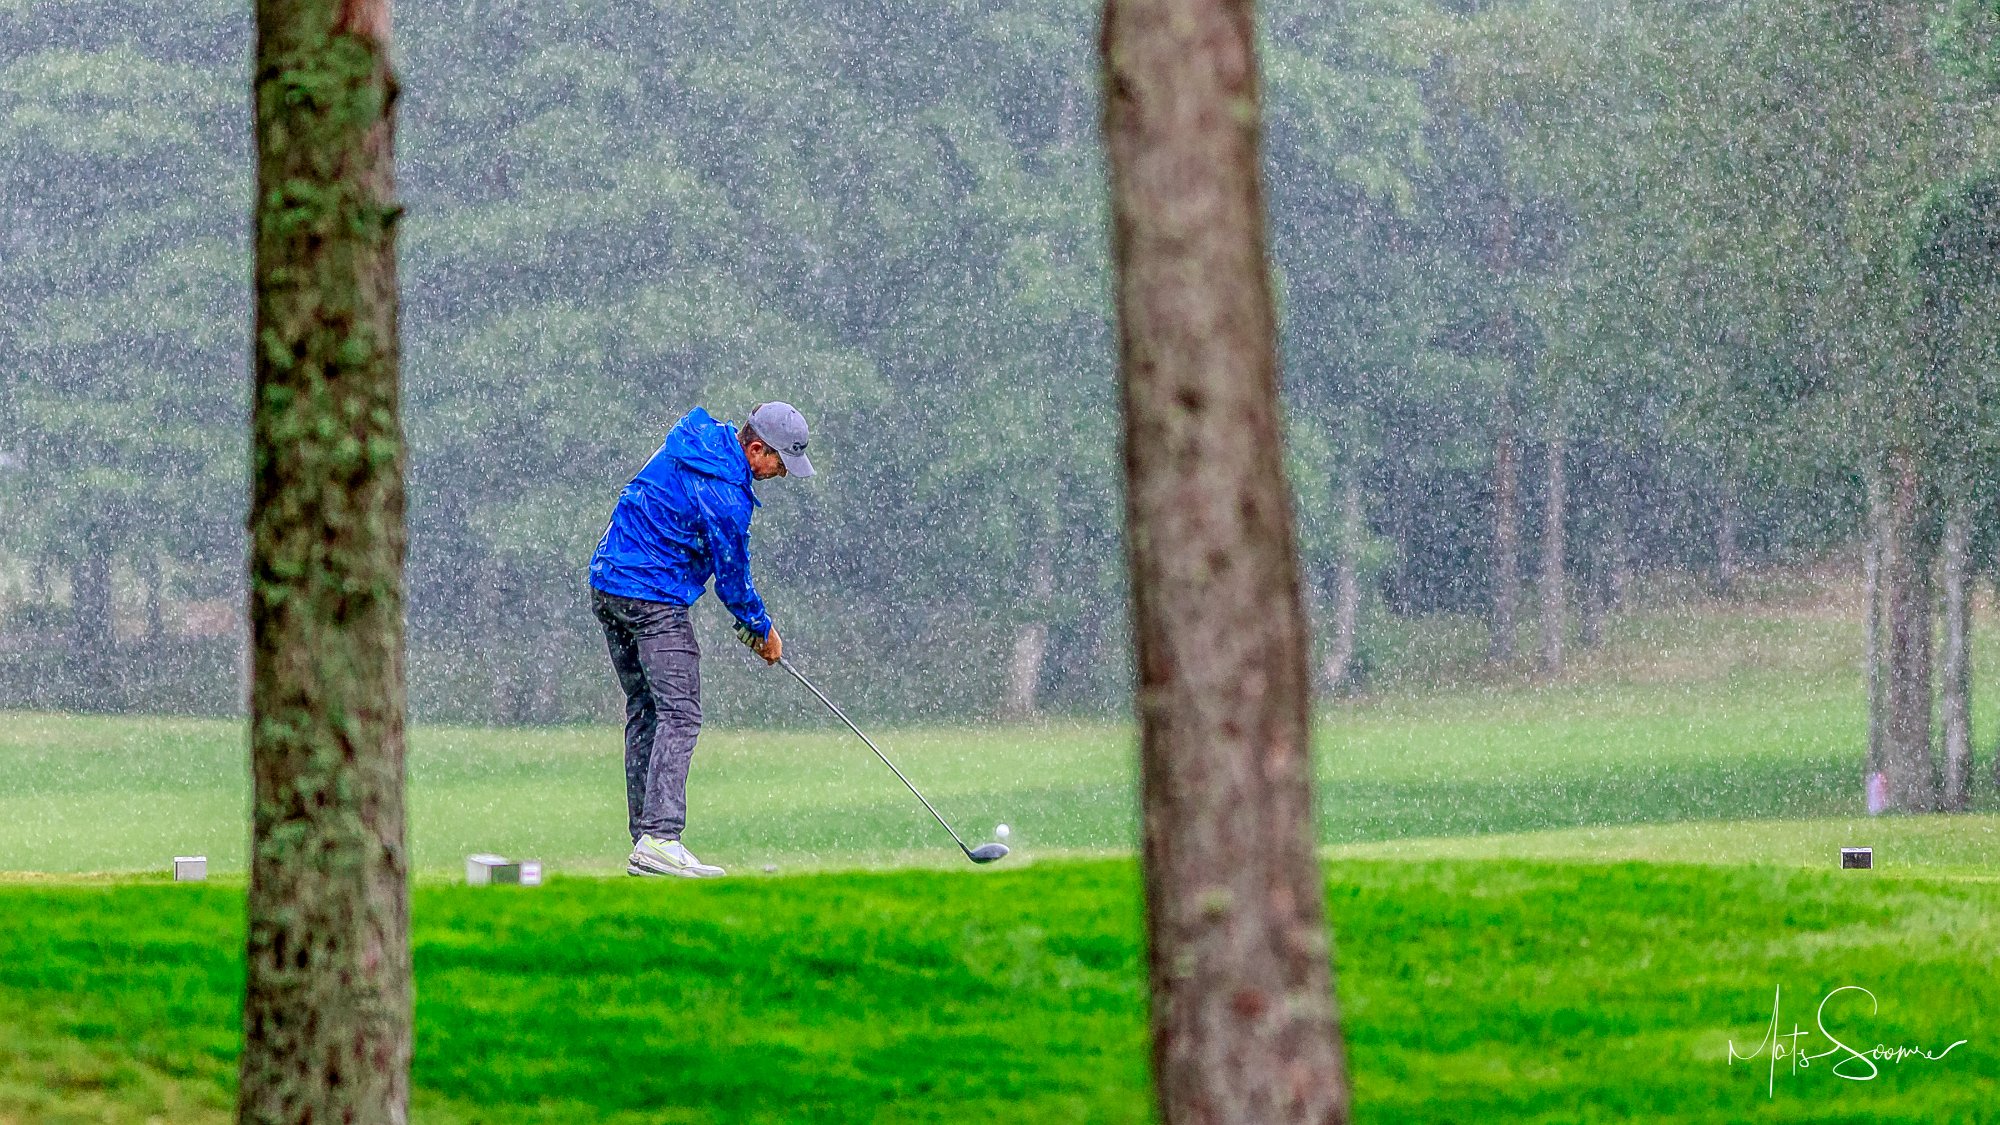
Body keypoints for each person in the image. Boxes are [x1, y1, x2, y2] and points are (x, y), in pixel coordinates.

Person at [588, 402, 814, 877]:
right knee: (681, 712)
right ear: (756, 450)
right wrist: (763, 629)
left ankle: (647, 842)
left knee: (647, 710)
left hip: (608, 586)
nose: (782, 474)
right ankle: (661, 836)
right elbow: (732, 580)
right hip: (651, 597)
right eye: (779, 463)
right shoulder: (727, 495)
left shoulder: (697, 441)